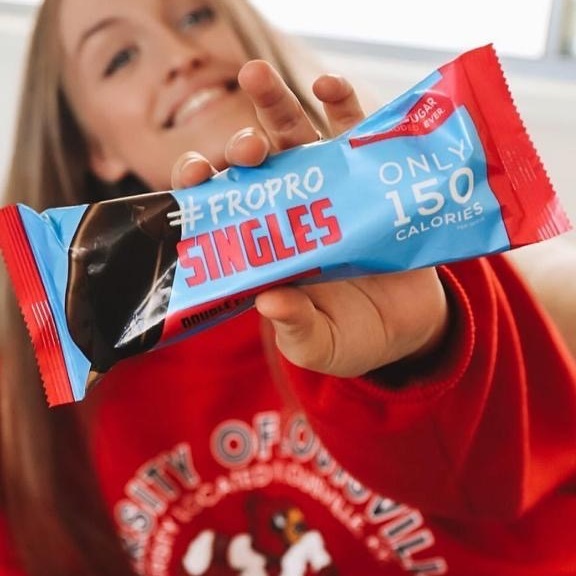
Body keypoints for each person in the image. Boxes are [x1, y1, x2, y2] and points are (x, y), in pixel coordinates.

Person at [0, 0, 575, 575]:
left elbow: (518, 470)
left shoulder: (411, 230)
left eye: (196, 17)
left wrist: (421, 352)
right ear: (95, 149)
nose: (180, 57)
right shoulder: (65, 385)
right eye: (119, 58)